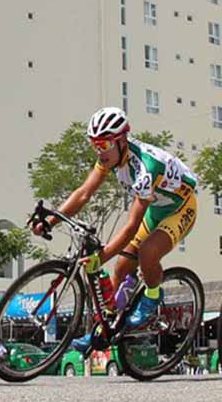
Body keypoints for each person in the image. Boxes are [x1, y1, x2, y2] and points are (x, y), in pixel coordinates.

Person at [31, 107, 198, 352]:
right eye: (95, 145)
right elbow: (83, 193)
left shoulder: (146, 168)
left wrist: (101, 257)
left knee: (147, 252)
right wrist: (50, 221)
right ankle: (106, 327)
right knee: (120, 267)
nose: (99, 152)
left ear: (121, 141)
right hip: (156, 208)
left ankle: (153, 295)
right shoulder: (111, 157)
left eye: (104, 144)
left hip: (180, 209)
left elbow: (131, 227)